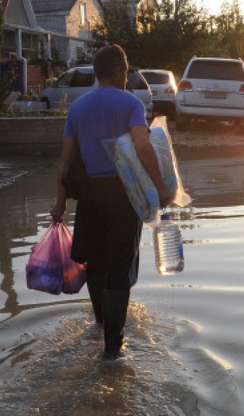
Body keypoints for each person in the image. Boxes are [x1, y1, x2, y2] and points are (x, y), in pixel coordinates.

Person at [50, 44, 173, 359]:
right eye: (126, 70)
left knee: (95, 262)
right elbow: (143, 146)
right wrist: (160, 186)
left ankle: (102, 322)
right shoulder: (131, 103)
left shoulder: (78, 107)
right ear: (119, 71)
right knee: (120, 265)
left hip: (90, 196)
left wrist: (60, 204)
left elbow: (64, 162)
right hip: (122, 195)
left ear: (95, 72)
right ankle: (113, 348)